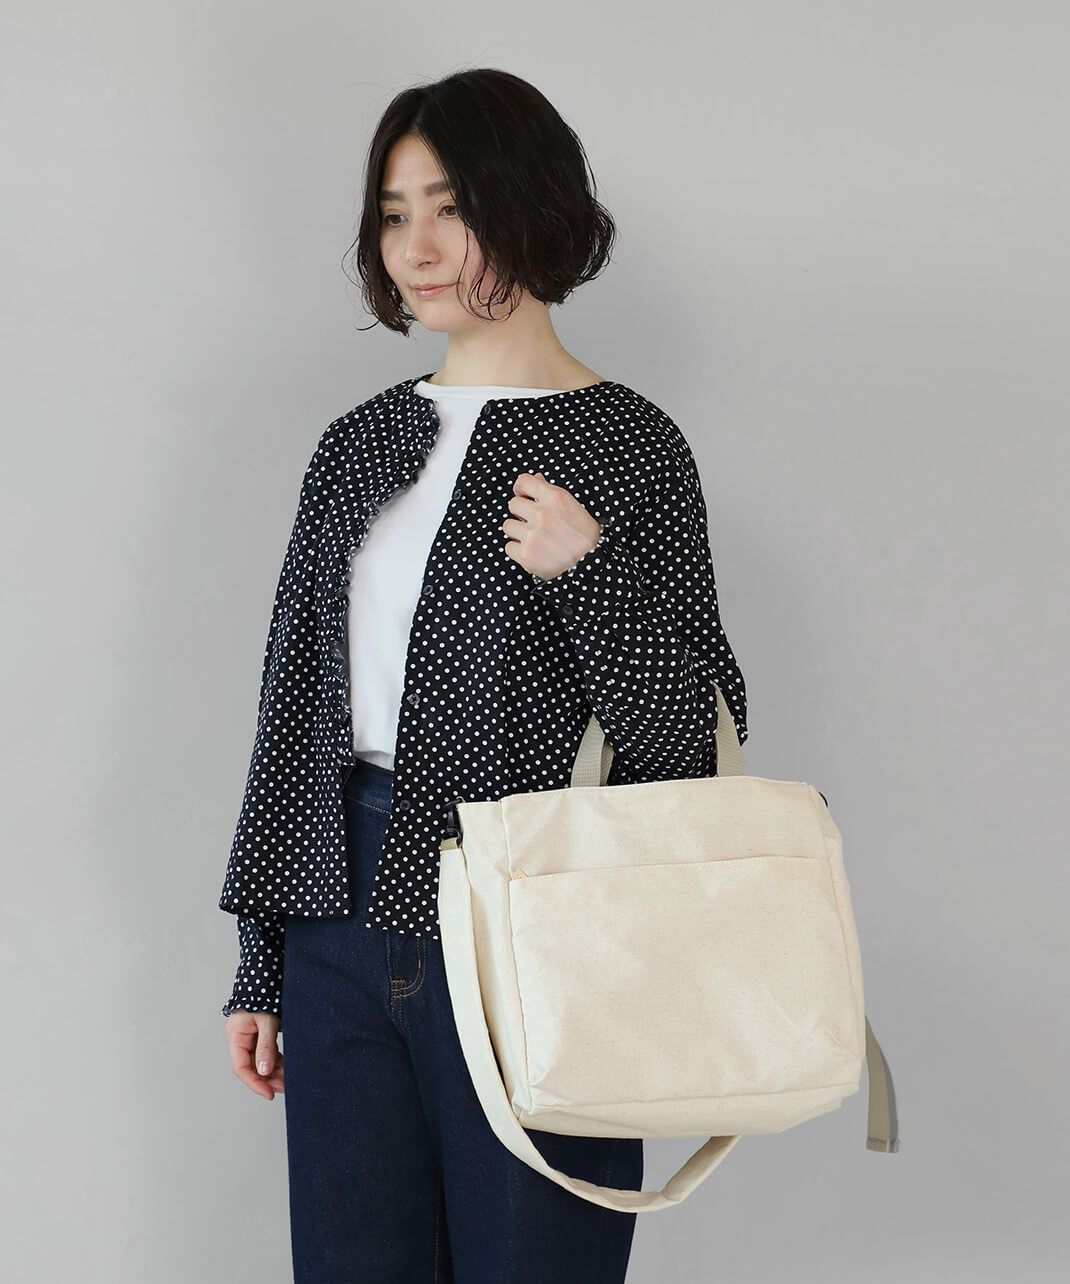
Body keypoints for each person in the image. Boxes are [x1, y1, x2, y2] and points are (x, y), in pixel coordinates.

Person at [219, 66, 749, 1283]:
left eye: (449, 207)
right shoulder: (356, 444)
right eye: (392, 213)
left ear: (528, 203)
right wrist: (262, 956)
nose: (415, 247)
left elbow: (690, 745)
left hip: (543, 916)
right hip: (338, 912)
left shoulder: (629, 445)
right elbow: (292, 707)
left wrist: (587, 576)